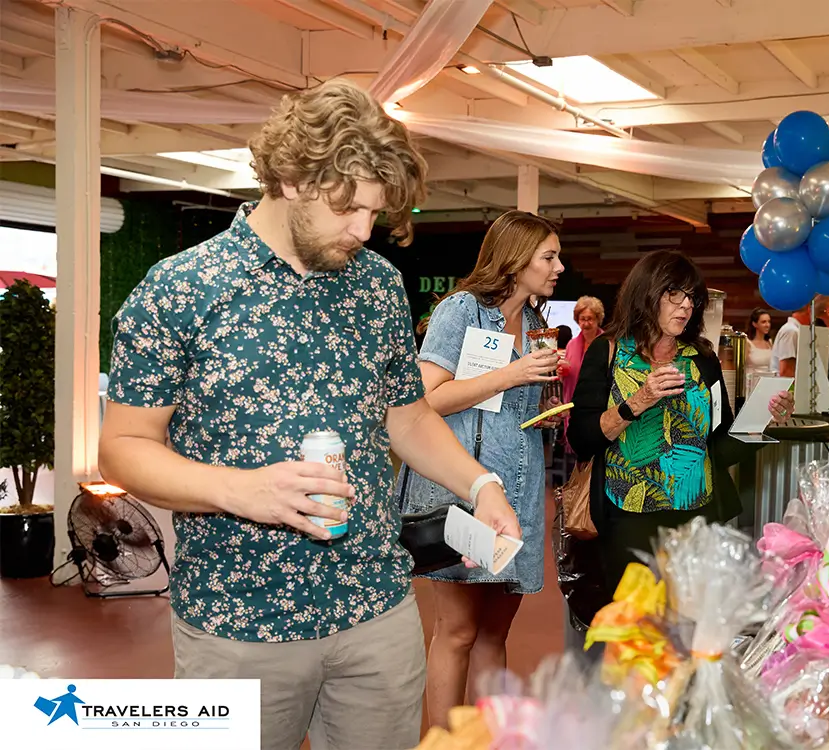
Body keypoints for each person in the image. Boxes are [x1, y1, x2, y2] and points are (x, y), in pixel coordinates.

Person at [98, 79, 521, 750]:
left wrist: (480, 484)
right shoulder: (182, 289)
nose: (362, 230)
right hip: (238, 624)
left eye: (374, 212)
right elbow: (123, 445)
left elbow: (407, 417)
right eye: (347, 207)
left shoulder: (377, 285)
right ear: (292, 178)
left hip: (375, 610)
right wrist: (241, 490)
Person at [395, 210, 564, 728]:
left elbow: (513, 411)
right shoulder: (461, 310)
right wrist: (510, 374)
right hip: (463, 487)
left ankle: (488, 737)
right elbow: (425, 399)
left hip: (518, 488)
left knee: (494, 633)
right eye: (549, 257)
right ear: (517, 259)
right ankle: (446, 739)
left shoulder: (534, 324)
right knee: (458, 631)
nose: (559, 267)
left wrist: (547, 406)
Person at [566, 250, 794, 594]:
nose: (686, 305)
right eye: (675, 294)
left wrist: (765, 419)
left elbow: (718, 446)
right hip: (627, 517)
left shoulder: (702, 358)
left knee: (692, 620)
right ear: (646, 293)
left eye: (692, 297)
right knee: (636, 620)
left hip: (696, 518)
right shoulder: (608, 351)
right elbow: (581, 439)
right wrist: (638, 401)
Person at [560, 296, 606, 404]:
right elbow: (566, 377)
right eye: (582, 319)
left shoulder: (607, 343)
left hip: (599, 404)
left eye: (590, 319)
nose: (586, 324)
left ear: (598, 319)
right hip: (573, 403)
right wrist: (561, 372)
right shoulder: (571, 345)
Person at [770, 304, 811, 377]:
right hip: (784, 383)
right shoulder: (791, 331)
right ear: (809, 310)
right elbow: (786, 371)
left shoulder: (794, 330)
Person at [746, 307, 773, 373]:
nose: (767, 325)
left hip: (768, 377)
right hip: (752, 378)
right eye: (763, 322)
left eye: (769, 321)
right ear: (754, 324)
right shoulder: (747, 342)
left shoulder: (769, 342)